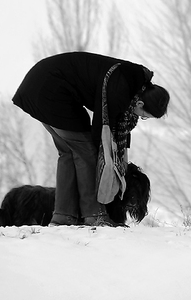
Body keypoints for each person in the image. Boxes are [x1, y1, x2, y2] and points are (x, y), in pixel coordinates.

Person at [12, 51, 169, 227]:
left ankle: (63, 216)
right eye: (144, 115)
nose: (140, 118)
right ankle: (95, 215)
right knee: (86, 153)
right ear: (140, 104)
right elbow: (102, 127)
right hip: (51, 92)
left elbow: (115, 124)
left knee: (69, 153)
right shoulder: (122, 88)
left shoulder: (132, 83)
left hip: (38, 87)